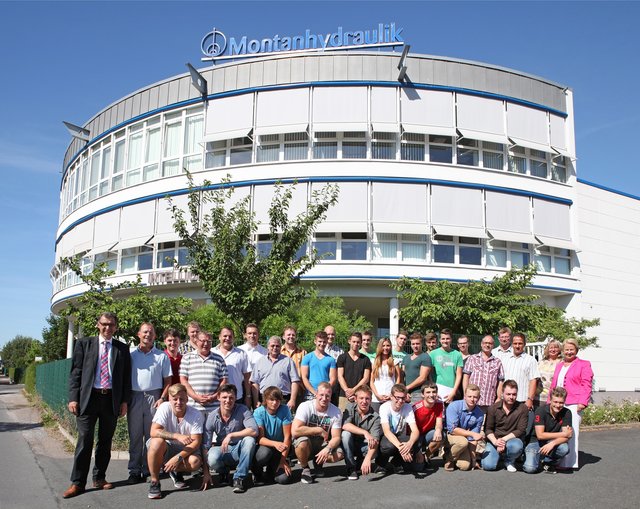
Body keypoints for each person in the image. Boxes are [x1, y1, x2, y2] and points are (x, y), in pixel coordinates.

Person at [63, 312, 132, 499]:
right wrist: (73, 398)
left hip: (110, 399)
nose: (107, 328)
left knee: (105, 441)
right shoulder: (84, 344)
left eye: (111, 325)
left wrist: (124, 401)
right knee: (85, 439)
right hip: (88, 399)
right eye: (104, 324)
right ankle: (77, 483)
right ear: (97, 324)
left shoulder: (122, 349)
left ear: (116, 327)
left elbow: (126, 378)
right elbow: (75, 373)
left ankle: (99, 478)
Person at [127, 323, 172, 484]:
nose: (148, 334)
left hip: (154, 398)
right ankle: (134, 470)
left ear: (155, 336)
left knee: (152, 435)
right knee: (135, 436)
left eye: (151, 332)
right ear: (139, 334)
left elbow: (167, 380)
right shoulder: (131, 355)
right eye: (145, 332)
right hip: (135, 397)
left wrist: (162, 398)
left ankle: (148, 469)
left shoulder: (161, 356)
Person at [146, 383, 204, 499]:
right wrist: (177, 436)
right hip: (166, 447)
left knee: (195, 462)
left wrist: (177, 458)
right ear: (169, 399)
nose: (178, 402)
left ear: (187, 399)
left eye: (182, 399)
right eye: (175, 399)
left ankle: (174, 470)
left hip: (185, 450)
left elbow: (196, 442)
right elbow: (153, 431)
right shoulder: (164, 407)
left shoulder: (196, 414)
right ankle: (155, 482)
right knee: (156, 442)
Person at [202, 384, 258, 493]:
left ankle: (239, 478)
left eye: (231, 397)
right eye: (224, 397)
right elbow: (205, 446)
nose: (228, 400)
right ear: (218, 397)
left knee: (250, 440)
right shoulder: (212, 416)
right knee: (211, 457)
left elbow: (254, 430)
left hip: (239, 448)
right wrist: (206, 473)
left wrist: (231, 435)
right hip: (222, 449)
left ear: (236, 398)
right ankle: (223, 472)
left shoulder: (243, 410)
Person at [548, 338, 594, 469]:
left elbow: (587, 384)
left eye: (571, 350)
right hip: (558, 403)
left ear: (576, 350)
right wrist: (549, 401)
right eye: (566, 349)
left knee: (571, 433)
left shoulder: (584, 364)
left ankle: (569, 463)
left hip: (574, 403)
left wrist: (583, 402)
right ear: (563, 351)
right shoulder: (559, 365)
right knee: (559, 432)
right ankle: (557, 459)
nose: (568, 352)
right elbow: (554, 385)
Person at [292, 382, 344, 484]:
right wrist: (318, 430)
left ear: (331, 396)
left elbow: (336, 437)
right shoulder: (305, 406)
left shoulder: (336, 411)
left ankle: (318, 463)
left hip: (321, 442)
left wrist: (327, 448)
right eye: (321, 395)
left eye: (327, 396)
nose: (324, 398)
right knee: (302, 444)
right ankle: (305, 468)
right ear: (316, 394)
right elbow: (295, 431)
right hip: (306, 441)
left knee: (339, 454)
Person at [523, 387, 573, 474]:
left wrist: (552, 443)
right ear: (550, 400)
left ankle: (548, 462)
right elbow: (540, 435)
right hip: (536, 441)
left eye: (561, 403)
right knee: (530, 469)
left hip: (551, 442)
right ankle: (532, 457)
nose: (558, 405)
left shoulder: (567, 413)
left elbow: (568, 436)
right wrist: (563, 433)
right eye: (555, 402)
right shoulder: (541, 410)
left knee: (564, 448)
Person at [482, 380, 528, 472]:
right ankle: (498, 455)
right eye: (508, 394)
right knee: (488, 466)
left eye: (514, 394)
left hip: (512, 439)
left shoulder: (522, 408)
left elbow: (521, 430)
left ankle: (509, 460)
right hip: (495, 440)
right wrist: (496, 442)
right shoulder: (493, 408)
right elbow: (488, 429)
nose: (511, 397)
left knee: (517, 446)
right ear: (502, 393)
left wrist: (502, 440)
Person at [179, 331, 228, 415]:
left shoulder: (219, 359)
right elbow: (183, 380)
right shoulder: (187, 358)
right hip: (193, 407)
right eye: (203, 341)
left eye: (209, 341)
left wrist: (215, 396)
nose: (206, 344)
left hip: (214, 408)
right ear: (196, 341)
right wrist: (195, 397)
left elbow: (224, 380)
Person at [252, 386, 293, 485]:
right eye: (271, 399)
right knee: (263, 454)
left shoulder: (285, 409)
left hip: (280, 449)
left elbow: (287, 437)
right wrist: (275, 443)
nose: (275, 403)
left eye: (277, 400)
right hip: (265, 447)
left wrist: (283, 460)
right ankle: (257, 473)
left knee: (284, 479)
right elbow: (260, 439)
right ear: (265, 399)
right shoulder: (258, 412)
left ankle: (272, 470)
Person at [341, 384, 382, 480]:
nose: (364, 401)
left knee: (374, 445)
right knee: (345, 434)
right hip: (349, 444)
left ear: (371, 400)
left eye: (367, 399)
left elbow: (375, 441)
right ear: (355, 399)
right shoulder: (350, 407)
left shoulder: (375, 417)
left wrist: (368, 459)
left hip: (363, 446)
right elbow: (345, 425)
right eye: (361, 398)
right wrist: (365, 432)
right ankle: (351, 468)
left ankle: (361, 462)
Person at [377, 384, 420, 474]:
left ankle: (396, 462)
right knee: (388, 446)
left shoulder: (408, 407)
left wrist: (409, 444)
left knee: (415, 441)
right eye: (397, 397)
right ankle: (381, 464)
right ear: (391, 397)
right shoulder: (384, 407)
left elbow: (415, 430)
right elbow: (387, 431)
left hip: (400, 434)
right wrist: (402, 449)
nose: (400, 401)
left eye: (403, 398)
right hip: (386, 435)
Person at [250, 335, 301, 411]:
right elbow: (255, 382)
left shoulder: (288, 361)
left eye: (277, 346)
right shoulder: (260, 362)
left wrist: (292, 400)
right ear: (268, 347)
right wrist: (256, 400)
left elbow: (295, 381)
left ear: (281, 347)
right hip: (264, 399)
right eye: (272, 346)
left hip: (283, 399)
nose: (275, 348)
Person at [444, 384, 485, 471]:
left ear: (479, 397)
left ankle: (454, 454)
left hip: (464, 438)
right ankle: (449, 458)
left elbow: (473, 439)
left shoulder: (480, 414)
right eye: (469, 396)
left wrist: (473, 460)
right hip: (449, 436)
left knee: (465, 466)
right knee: (462, 442)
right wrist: (472, 433)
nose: (472, 399)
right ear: (465, 396)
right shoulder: (454, 406)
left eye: (475, 397)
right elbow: (452, 430)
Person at [463, 334, 505, 413]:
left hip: (489, 402)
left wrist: (499, 398)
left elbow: (501, 381)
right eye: (485, 343)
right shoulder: (472, 358)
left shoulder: (497, 362)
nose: (487, 345)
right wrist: (466, 394)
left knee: (487, 425)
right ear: (481, 344)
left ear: (493, 345)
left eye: (490, 343)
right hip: (472, 401)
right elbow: (466, 377)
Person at [499, 332, 540, 411]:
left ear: (524, 344)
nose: (517, 346)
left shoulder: (530, 360)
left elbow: (533, 381)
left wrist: (530, 399)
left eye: (520, 343)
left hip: (523, 401)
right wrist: (499, 396)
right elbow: (501, 380)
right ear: (512, 344)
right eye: (515, 343)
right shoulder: (505, 359)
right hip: (506, 401)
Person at [213, 327, 251, 407]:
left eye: (230, 336)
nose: (227, 338)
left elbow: (247, 377)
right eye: (225, 336)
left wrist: (248, 395)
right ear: (219, 337)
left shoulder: (241, 353)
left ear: (233, 338)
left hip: (236, 397)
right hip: (215, 397)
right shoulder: (212, 352)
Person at [336, 332, 372, 410]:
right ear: (349, 341)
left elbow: (366, 378)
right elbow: (340, 376)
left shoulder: (365, 359)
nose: (356, 344)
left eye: (358, 342)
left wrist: (354, 390)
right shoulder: (342, 357)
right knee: (343, 419)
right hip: (344, 395)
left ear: (361, 343)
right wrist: (347, 390)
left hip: (360, 396)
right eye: (354, 342)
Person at [412, 382, 444, 468]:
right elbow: (410, 431)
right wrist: (417, 450)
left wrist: (438, 430)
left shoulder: (439, 404)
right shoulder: (416, 408)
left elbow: (439, 422)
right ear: (422, 395)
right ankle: (416, 455)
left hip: (427, 434)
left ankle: (426, 455)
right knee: (418, 468)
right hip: (415, 436)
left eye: (434, 392)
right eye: (428, 392)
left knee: (441, 435)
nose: (431, 395)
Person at [429, 329, 463, 403]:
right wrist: (433, 390)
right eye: (443, 339)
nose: (445, 341)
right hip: (437, 391)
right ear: (440, 340)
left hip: (451, 391)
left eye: (447, 338)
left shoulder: (457, 355)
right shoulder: (433, 354)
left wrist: (454, 392)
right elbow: (429, 374)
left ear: (451, 339)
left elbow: (459, 375)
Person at [300, 331, 337, 400]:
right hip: (310, 394)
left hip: (325, 395)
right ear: (315, 341)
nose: (322, 344)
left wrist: (324, 391)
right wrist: (314, 392)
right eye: (320, 341)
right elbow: (304, 377)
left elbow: (333, 379)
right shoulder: (307, 357)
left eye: (324, 342)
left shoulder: (331, 360)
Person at [238, 323, 267, 408]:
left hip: (259, 387)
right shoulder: (239, 350)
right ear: (245, 335)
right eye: (249, 333)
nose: (252, 335)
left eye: (255, 333)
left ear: (258, 334)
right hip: (242, 386)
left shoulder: (264, 352)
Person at [370, 338, 401, 412]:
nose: (385, 348)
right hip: (376, 398)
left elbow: (398, 379)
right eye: (383, 345)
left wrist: (392, 394)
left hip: (390, 396)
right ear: (380, 347)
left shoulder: (395, 361)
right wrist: (377, 395)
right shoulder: (374, 361)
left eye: (388, 345)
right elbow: (371, 381)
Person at [401, 332, 433, 403]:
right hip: (405, 394)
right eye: (413, 344)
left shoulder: (425, 357)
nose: (415, 346)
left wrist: (406, 388)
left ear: (422, 344)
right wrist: (404, 391)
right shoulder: (405, 358)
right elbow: (402, 376)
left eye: (417, 343)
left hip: (418, 394)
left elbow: (422, 378)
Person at [536, 339, 562, 405]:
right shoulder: (541, 362)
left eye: (555, 348)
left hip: (555, 397)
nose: (553, 350)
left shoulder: (562, 363)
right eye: (551, 348)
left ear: (559, 349)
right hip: (539, 397)